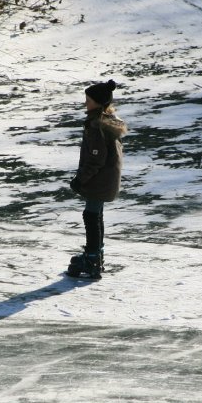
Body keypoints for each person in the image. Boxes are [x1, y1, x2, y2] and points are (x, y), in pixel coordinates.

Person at [67, 79, 127, 280]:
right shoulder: (109, 121)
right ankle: (96, 256)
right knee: (95, 215)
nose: (86, 103)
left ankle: (92, 260)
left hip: (99, 180)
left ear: (98, 102)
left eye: (89, 99)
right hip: (106, 179)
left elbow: (95, 160)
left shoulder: (97, 126)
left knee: (91, 217)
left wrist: (80, 179)